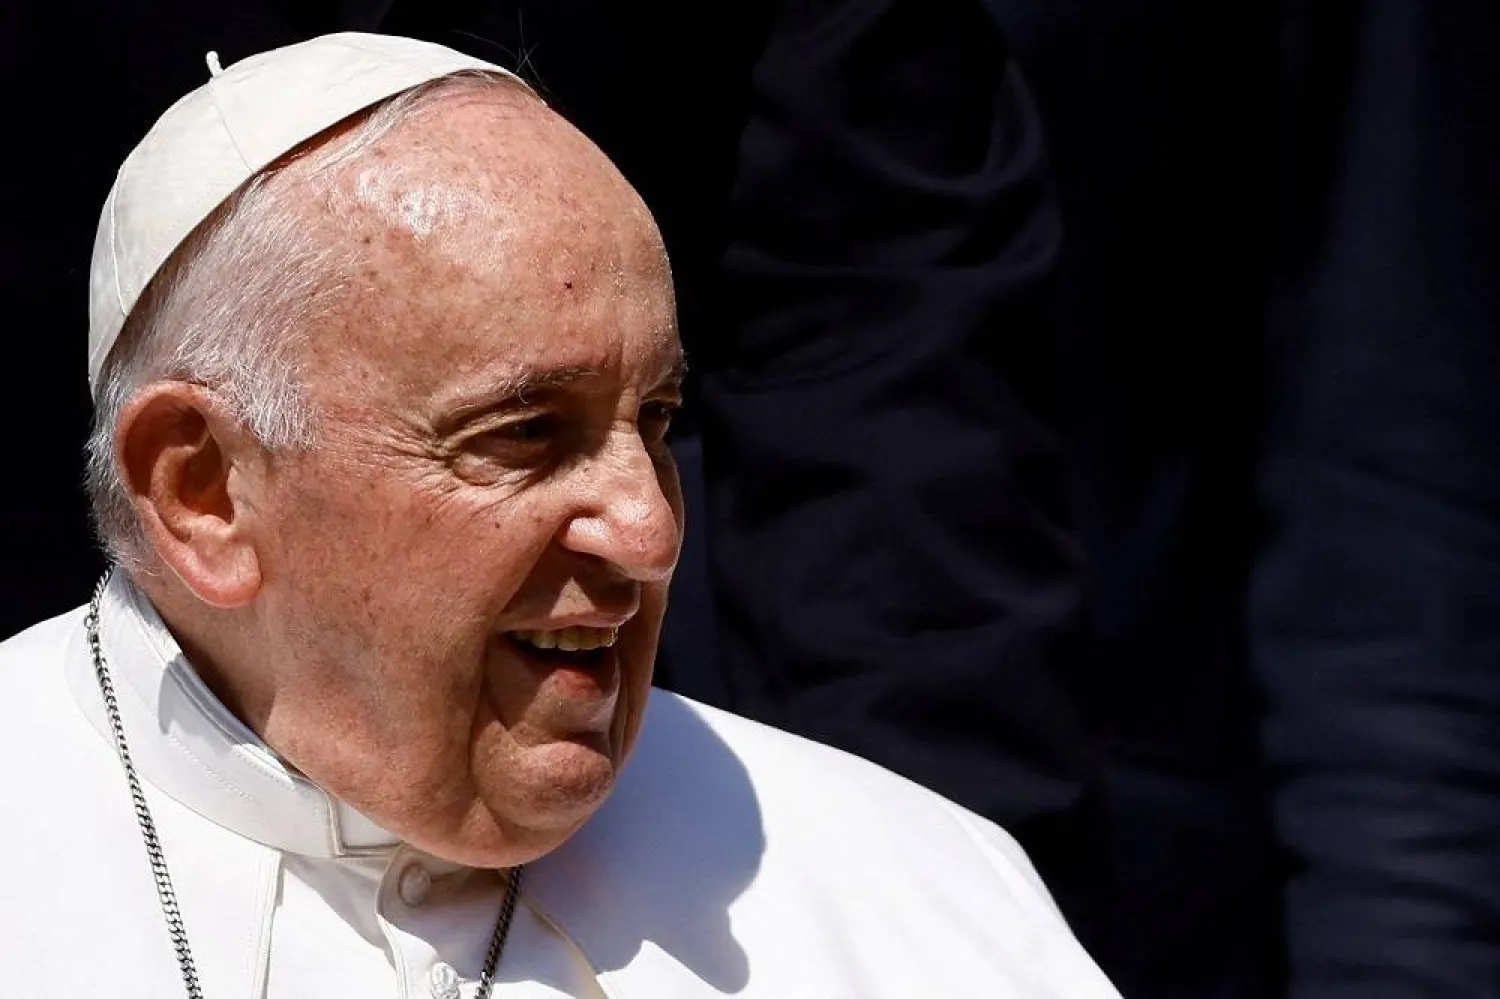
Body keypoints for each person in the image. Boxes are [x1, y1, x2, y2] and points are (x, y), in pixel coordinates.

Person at [0, 32, 1119, 998]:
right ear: (204, 492)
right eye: (526, 433)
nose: (650, 533)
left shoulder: (919, 891)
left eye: (658, 419)